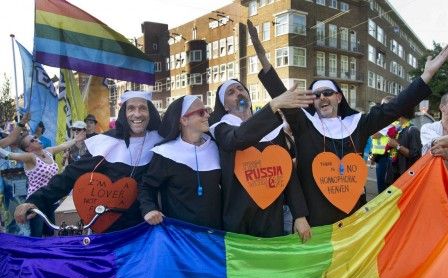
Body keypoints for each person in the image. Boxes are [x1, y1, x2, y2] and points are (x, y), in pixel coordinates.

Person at [248, 19, 448, 226]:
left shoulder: (359, 123)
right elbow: (280, 93)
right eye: (316, 95)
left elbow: (395, 107)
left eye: (327, 93)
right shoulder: (304, 124)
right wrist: (263, 58)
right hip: (314, 220)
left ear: (339, 97)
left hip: (352, 218)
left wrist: (427, 74)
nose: (322, 98)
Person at [14, 91, 163, 233]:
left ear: (150, 113)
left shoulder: (162, 142)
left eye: (143, 108)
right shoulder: (105, 143)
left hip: (150, 225)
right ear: (124, 113)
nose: (137, 114)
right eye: (131, 108)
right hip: (110, 228)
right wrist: (36, 200)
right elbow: (70, 175)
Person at [209, 78, 313, 241]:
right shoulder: (221, 129)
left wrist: (299, 215)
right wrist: (272, 105)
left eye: (240, 89)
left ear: (248, 96)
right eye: (231, 92)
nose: (238, 93)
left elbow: (286, 170)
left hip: (272, 215)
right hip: (239, 218)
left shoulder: (273, 128)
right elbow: (238, 138)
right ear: (225, 106)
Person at [139, 96, 222, 229]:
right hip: (180, 235)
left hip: (214, 233)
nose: (207, 115)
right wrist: (149, 209)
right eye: (201, 112)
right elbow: (147, 187)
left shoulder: (215, 146)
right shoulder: (165, 153)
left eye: (206, 110)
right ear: (184, 120)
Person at [1, 129, 86, 236]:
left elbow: (64, 146)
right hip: (36, 202)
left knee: (52, 232)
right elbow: (10, 155)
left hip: (52, 199)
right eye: (32, 141)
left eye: (35, 138)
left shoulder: (48, 151)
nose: (36, 140)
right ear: (28, 148)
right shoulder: (30, 157)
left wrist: (75, 140)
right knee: (37, 234)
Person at [384, 114, 422, 185]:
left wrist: (397, 146)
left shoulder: (413, 130)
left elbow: (415, 154)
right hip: (392, 173)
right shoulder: (398, 128)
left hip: (403, 175)